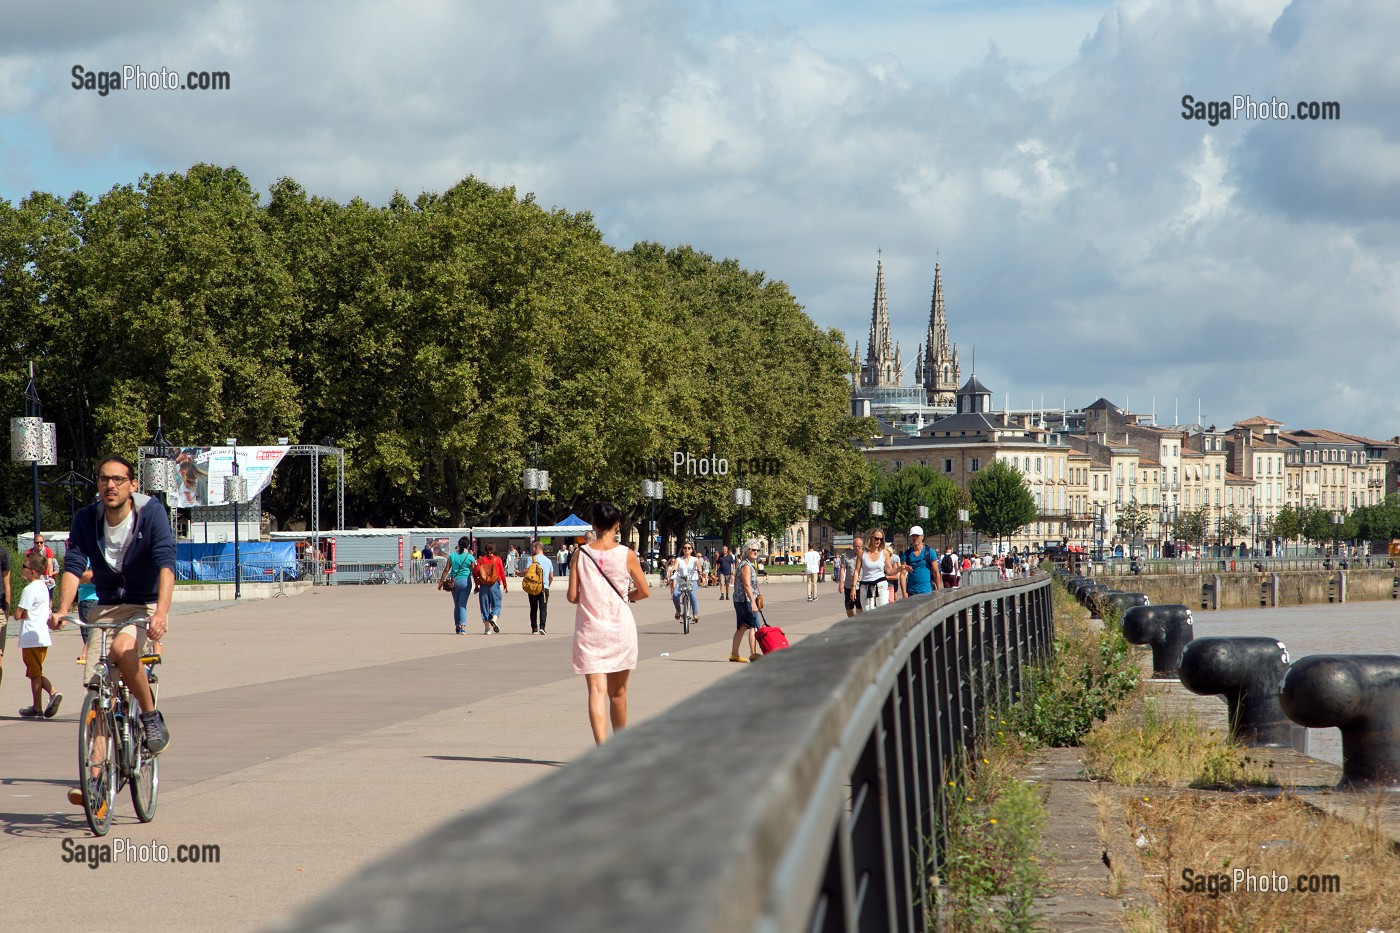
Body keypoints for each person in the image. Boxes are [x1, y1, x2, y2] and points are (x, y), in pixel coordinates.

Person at [53, 455, 173, 778]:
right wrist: (63, 610)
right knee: (99, 687)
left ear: (132, 485)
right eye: (105, 479)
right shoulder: (87, 520)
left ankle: (149, 716)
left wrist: (161, 613)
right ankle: (94, 783)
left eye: (118, 479)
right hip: (105, 607)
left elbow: (165, 564)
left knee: (122, 650)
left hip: (142, 604)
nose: (111, 485)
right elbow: (74, 566)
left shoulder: (151, 515)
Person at [567, 501, 649, 745]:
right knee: (619, 694)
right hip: (619, 629)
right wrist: (627, 596)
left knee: (596, 692)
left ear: (593, 525)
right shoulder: (627, 554)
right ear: (617, 524)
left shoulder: (580, 554)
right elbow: (644, 591)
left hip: (590, 630)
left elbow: (572, 596)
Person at [15, 552, 62, 719]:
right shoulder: (43, 586)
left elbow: (17, 614)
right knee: (35, 672)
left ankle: (40, 704)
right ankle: (40, 704)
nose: (22, 569)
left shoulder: (29, 589)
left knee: (34, 674)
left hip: (30, 637)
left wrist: (19, 611)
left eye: (25, 567)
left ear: (33, 571)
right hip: (42, 636)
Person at [729, 540, 764, 662]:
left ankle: (734, 654)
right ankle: (753, 653)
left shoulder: (748, 563)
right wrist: (753, 602)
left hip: (740, 599)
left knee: (742, 626)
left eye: (757, 550)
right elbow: (747, 585)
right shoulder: (746, 566)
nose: (756, 552)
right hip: (746, 600)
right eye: (753, 550)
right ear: (746, 551)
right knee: (754, 625)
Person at [858, 530, 897, 610]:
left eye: (881, 539)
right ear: (871, 538)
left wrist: (901, 568)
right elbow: (856, 571)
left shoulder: (884, 552)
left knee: (883, 612)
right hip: (866, 586)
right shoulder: (862, 552)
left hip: (881, 585)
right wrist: (853, 587)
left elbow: (890, 571)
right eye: (876, 538)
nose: (878, 541)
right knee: (868, 613)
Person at [473, 542, 506, 634]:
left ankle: (487, 629)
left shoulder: (481, 560)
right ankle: (494, 618)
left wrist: (478, 584)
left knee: (484, 606)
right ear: (494, 549)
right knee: (497, 604)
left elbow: (477, 572)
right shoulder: (498, 559)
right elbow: (502, 573)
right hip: (494, 584)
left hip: (484, 585)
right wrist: (505, 585)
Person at [447, 537, 476, 635]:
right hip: (465, 582)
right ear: (467, 545)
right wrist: (477, 584)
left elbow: (447, 569)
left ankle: (457, 626)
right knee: (462, 605)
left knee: (456, 605)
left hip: (454, 582)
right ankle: (463, 627)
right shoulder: (470, 557)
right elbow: (474, 571)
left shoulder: (452, 555)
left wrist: (441, 581)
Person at [667, 543, 701, 625]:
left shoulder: (694, 559)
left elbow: (699, 566)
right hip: (681, 580)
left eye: (689, 548)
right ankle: (678, 610)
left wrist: (700, 570)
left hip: (692, 580)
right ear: (682, 549)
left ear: (691, 550)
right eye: (685, 548)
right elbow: (675, 566)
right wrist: (673, 570)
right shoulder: (679, 559)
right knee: (675, 594)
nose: (687, 549)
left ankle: (695, 613)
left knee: (692, 593)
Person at [901, 526, 939, 596]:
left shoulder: (930, 552)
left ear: (922, 536)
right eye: (913, 536)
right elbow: (903, 575)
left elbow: (936, 572)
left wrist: (939, 591)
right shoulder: (906, 554)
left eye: (917, 536)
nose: (915, 538)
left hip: (927, 592)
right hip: (911, 592)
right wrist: (904, 594)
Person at [525, 541, 553, 635]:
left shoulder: (531, 559)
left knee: (533, 608)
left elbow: (527, 572)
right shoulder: (548, 561)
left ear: (537, 548)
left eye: (533, 547)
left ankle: (534, 628)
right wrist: (548, 584)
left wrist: (519, 573)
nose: (532, 549)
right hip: (544, 587)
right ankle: (542, 627)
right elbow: (551, 576)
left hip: (533, 587)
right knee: (543, 608)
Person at [835, 536, 863, 617]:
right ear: (853, 545)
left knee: (859, 606)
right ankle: (852, 620)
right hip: (848, 584)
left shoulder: (864, 555)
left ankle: (858, 622)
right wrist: (841, 583)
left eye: (859, 546)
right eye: (855, 546)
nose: (857, 548)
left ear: (862, 546)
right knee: (848, 607)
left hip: (861, 584)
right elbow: (842, 569)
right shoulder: (846, 555)